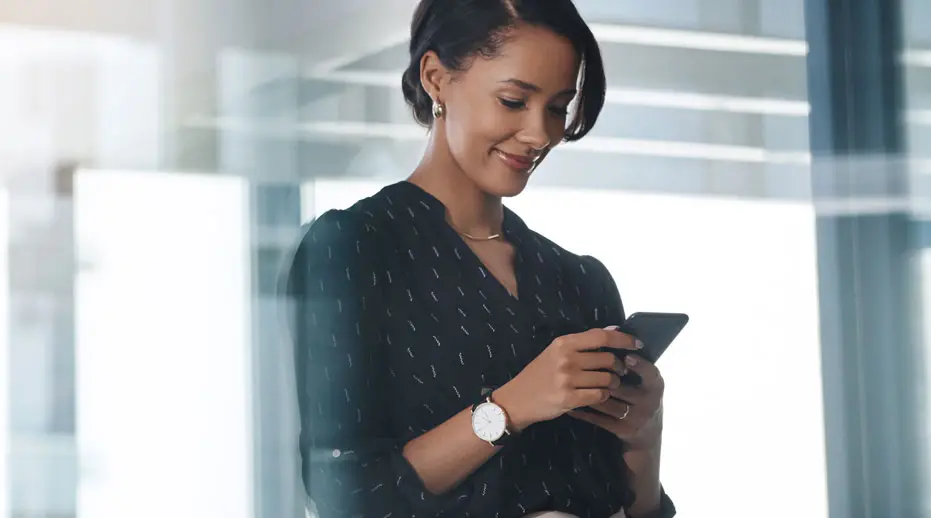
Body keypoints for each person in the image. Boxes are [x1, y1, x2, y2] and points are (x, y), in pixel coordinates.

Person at [286, 1, 677, 517]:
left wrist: (643, 440)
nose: (541, 134)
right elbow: (348, 496)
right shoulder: (353, 249)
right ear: (436, 78)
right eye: (514, 100)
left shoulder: (581, 280)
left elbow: (636, 507)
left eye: (558, 108)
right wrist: (509, 407)